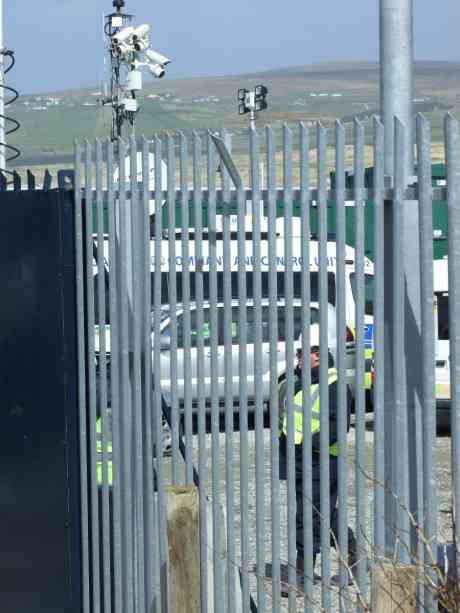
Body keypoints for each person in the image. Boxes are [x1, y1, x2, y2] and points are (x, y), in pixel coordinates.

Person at [278, 330, 357, 591]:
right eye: (298, 352)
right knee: (319, 515)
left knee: (308, 516)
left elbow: (337, 426)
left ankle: (303, 576)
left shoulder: (335, 385)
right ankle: (353, 552)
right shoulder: (297, 382)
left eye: (304, 352)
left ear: (319, 355)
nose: (299, 357)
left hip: (323, 460)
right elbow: (287, 419)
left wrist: (307, 444)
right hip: (299, 458)